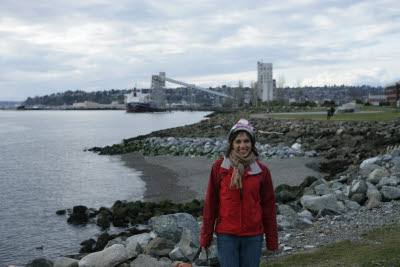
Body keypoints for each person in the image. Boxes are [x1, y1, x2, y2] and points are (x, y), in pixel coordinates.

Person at [200, 119, 278, 267]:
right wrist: (206, 238)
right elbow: (211, 204)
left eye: (246, 141)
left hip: (253, 236)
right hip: (226, 236)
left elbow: (269, 208)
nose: (243, 146)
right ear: (231, 144)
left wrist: (272, 241)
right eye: (238, 141)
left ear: (252, 143)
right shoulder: (219, 167)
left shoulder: (262, 170)